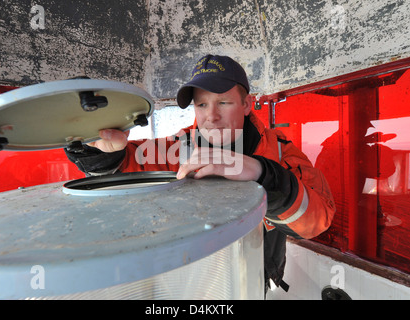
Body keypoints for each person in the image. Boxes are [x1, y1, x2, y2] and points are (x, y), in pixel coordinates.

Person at [65, 54, 336, 293]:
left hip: (253, 280)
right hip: (189, 283)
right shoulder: (178, 148)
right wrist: (100, 150)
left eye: (224, 102)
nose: (211, 116)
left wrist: (263, 173)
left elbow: (318, 220)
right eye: (202, 105)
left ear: (247, 104)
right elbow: (128, 164)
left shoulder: (279, 152)